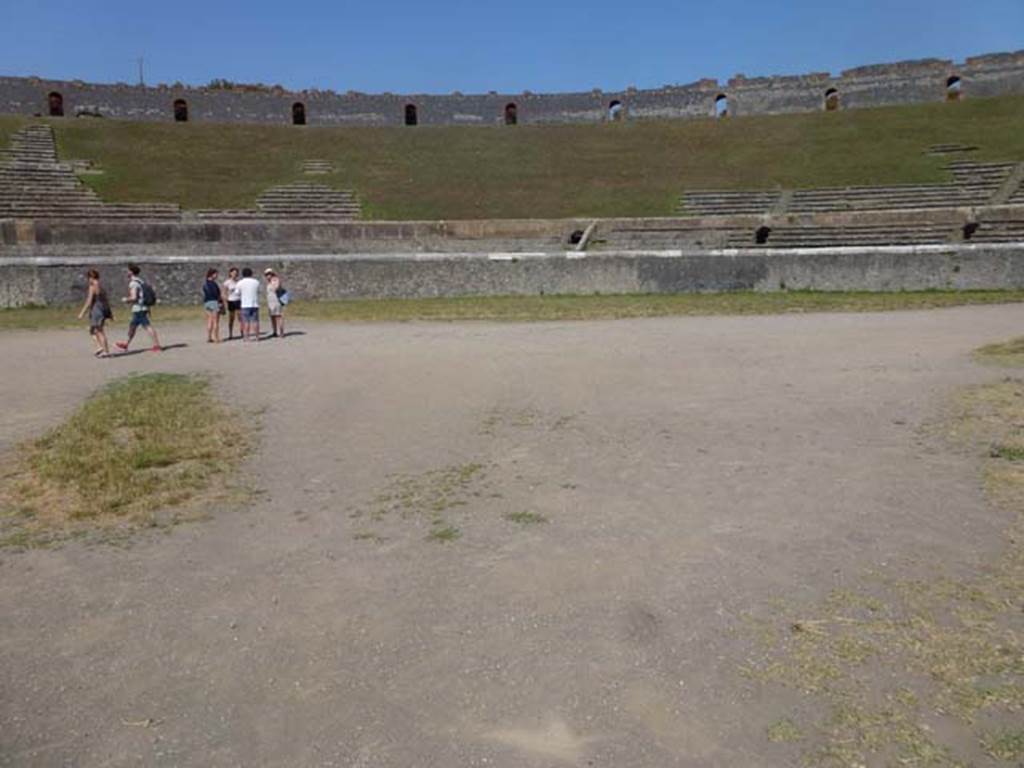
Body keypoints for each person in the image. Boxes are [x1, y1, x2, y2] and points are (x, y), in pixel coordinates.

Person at [115, 263, 161, 353]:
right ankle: (126, 344)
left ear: (131, 272)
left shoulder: (133, 283)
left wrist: (125, 300)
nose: (126, 272)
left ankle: (157, 345)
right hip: (142, 307)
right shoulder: (140, 281)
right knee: (133, 326)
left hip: (139, 308)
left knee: (147, 326)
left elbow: (134, 297)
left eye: (128, 270)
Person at [77, 268, 112, 357]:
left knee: (99, 331)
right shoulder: (101, 287)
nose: (88, 280)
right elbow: (106, 300)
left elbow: (89, 301)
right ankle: (100, 347)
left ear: (91, 277)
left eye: (89, 278)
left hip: (96, 310)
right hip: (102, 309)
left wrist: (82, 312)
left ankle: (105, 351)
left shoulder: (92, 286)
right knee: (93, 330)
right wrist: (109, 313)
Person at [237, 267, 261, 341]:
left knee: (246, 321)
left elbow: (237, 293)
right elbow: (258, 291)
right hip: (254, 304)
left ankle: (246, 337)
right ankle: (257, 336)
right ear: (251, 274)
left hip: (245, 304)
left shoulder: (240, 283)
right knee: (255, 321)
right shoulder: (256, 282)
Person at [202, 268, 224, 343]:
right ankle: (216, 338)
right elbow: (216, 294)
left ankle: (209, 337)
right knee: (216, 321)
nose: (217, 275)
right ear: (212, 274)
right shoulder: (213, 284)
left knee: (209, 320)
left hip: (207, 302)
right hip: (214, 302)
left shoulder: (205, 283)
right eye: (216, 274)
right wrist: (220, 302)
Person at [264, 267, 286, 339]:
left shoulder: (275, 280)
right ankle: (274, 331)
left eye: (269, 274)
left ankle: (281, 332)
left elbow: (276, 288)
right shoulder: (269, 282)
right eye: (266, 274)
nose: (267, 276)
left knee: (279, 316)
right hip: (270, 302)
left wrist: (273, 281)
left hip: (276, 301)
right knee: (272, 317)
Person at [223, 267, 242, 340]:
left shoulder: (239, 282)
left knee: (240, 318)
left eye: (236, 273)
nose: (235, 274)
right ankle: (230, 334)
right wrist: (226, 301)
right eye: (233, 273)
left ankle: (242, 332)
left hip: (238, 300)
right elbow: (224, 292)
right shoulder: (227, 282)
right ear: (230, 273)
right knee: (231, 318)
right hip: (231, 301)